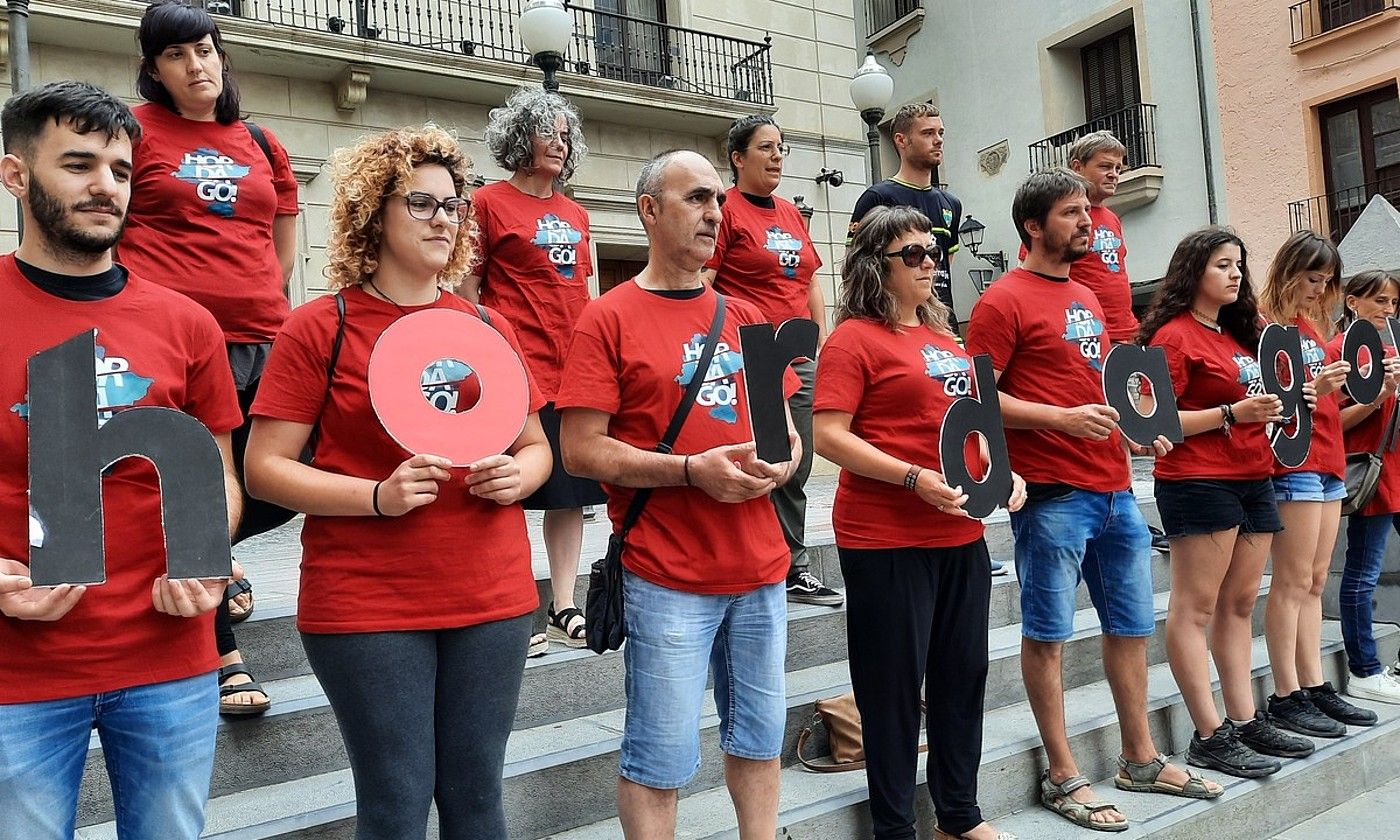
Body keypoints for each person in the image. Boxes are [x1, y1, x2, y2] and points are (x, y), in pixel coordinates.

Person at [244, 125, 551, 839]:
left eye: (454, 205)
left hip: (492, 595)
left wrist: (519, 474)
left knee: (477, 799)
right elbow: (264, 467)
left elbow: (538, 448)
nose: (444, 218)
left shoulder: (486, 324)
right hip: (367, 604)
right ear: (371, 213)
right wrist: (375, 497)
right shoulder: (319, 328)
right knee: (396, 800)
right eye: (421, 202)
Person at [0, 80, 242, 839]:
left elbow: (222, 478)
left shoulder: (189, 324)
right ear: (16, 175)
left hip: (171, 661)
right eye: (78, 165)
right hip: (18, 674)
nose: (105, 186)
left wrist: (206, 554)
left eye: (121, 169)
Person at [557, 149, 800, 839]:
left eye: (718, 201)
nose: (713, 213)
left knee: (758, 741)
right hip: (667, 578)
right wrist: (694, 471)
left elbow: (786, 434)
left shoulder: (749, 315)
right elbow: (580, 449)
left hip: (760, 570)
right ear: (649, 211)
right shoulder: (606, 319)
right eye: (695, 198)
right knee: (659, 761)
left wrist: (778, 465)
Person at [965, 169, 1217, 832]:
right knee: (1048, 637)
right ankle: (1063, 772)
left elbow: (1095, 386)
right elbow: (977, 400)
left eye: (1087, 211)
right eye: (1073, 213)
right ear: (1032, 226)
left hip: (1114, 493)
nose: (1088, 222)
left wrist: (1134, 433)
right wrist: (1060, 420)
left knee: (1132, 628)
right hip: (1052, 497)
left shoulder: (1083, 294)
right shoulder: (1002, 300)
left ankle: (1139, 757)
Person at [814, 205, 1025, 840]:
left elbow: (971, 427)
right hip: (885, 538)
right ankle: (895, 828)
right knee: (892, 693)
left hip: (960, 533)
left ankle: (959, 818)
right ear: (876, 267)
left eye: (933, 251)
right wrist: (911, 477)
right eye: (912, 254)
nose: (930, 261)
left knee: (963, 679)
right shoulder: (853, 339)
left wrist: (1001, 474)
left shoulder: (946, 340)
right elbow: (827, 434)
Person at [118, 0, 301, 716]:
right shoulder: (133, 132)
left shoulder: (260, 140)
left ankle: (218, 553)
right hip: (179, 343)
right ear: (155, 69)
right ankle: (223, 654)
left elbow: (281, 238)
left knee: (282, 478)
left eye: (204, 49)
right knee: (199, 488)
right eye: (176, 55)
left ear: (222, 54)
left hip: (265, 338)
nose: (195, 65)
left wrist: (264, 301)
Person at [1138, 226, 1315, 778]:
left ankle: (1242, 718)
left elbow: (1264, 401)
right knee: (1195, 608)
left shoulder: (1243, 335)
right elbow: (1153, 422)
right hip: (1197, 478)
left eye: (1239, 264)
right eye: (1222, 264)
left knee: (1240, 605)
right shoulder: (1173, 335)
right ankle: (1209, 733)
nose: (1236, 273)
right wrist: (1234, 414)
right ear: (1194, 270)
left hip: (1252, 474)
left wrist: (1296, 399)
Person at [461, 86, 605, 655]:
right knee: (509, 486)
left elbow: (583, 291)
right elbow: (469, 291)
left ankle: (562, 604)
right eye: (549, 130)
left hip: (573, 367)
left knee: (570, 493)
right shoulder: (487, 204)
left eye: (566, 133)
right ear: (521, 138)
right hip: (512, 366)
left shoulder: (575, 212)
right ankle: (513, 602)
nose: (561, 141)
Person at [701, 114, 839, 606]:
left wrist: (820, 340)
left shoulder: (790, 212)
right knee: (762, 454)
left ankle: (790, 562)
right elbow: (707, 282)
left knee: (798, 460)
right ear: (738, 159)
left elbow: (811, 281)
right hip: (749, 352)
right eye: (766, 147)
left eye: (781, 147)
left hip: (797, 351)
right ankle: (774, 562)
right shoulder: (727, 211)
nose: (778, 155)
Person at [1258, 231, 1378, 732]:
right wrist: (1317, 385)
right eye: (1312, 277)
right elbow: (1271, 399)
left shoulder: (1309, 327)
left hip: (1328, 459)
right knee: (1291, 583)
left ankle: (1311, 685)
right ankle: (1286, 692)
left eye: (1326, 280)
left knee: (1313, 581)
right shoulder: (1264, 324)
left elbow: (1329, 404)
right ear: (1289, 270)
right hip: (1293, 463)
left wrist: (1371, 389)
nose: (1319, 287)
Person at [1330, 269, 1400, 704]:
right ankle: (1364, 668)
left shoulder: (1392, 347)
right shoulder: (1340, 349)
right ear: (1353, 302)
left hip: (1397, 467)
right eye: (1379, 301)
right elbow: (1331, 422)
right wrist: (1378, 394)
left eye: (1393, 303)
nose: (1388, 310)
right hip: (1371, 472)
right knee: (1363, 572)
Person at [848, 102, 962, 331]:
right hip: (894, 326)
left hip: (944, 326)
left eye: (940, 133)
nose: (938, 140)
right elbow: (855, 267)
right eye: (927, 133)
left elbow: (943, 265)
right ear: (901, 140)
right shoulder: (877, 198)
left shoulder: (952, 204)